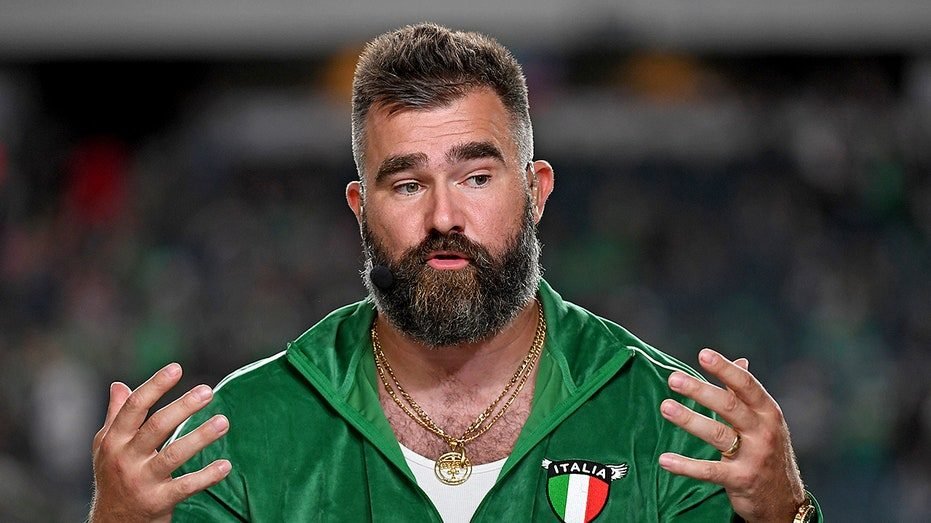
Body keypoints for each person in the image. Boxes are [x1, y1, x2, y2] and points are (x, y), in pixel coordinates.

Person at [89, 23, 820, 522]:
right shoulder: (242, 430)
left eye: (475, 177)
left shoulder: (667, 422)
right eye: (407, 184)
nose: (443, 216)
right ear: (360, 209)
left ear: (535, 191)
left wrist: (785, 514)